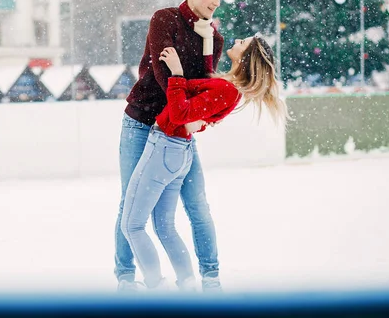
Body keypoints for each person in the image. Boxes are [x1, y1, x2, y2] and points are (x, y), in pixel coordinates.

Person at [121, 35, 289, 291]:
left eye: (244, 43)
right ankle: (188, 286)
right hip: (176, 150)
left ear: (246, 58)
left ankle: (156, 288)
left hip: (165, 148)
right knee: (164, 226)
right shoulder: (226, 85)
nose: (239, 40)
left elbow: (179, 112)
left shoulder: (228, 90)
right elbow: (193, 103)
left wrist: (176, 73)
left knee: (132, 225)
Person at [115, 0, 228, 292]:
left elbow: (206, 88)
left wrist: (207, 50)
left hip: (176, 134)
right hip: (142, 122)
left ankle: (210, 276)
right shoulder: (164, 19)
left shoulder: (214, 38)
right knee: (129, 203)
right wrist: (187, 103)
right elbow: (166, 77)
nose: (216, 2)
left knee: (196, 203)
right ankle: (125, 277)